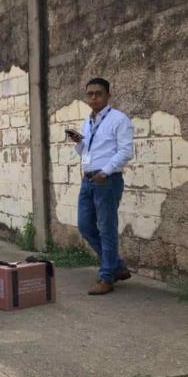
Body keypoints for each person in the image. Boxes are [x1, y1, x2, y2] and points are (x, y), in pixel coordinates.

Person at [67, 78, 133, 295]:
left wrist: (105, 171)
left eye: (98, 94)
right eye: (90, 94)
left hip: (107, 181)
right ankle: (117, 266)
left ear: (108, 95)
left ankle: (106, 277)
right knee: (85, 226)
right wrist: (78, 143)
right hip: (88, 180)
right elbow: (86, 153)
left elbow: (125, 151)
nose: (93, 98)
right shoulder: (88, 122)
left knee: (106, 229)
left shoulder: (118, 120)